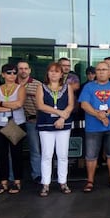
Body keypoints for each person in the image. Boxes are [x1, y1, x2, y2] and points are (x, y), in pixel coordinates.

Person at [79, 61, 110, 192]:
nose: (101, 72)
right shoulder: (88, 87)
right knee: (91, 155)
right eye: (98, 70)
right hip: (93, 127)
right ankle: (90, 181)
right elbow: (84, 105)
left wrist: (106, 113)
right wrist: (99, 116)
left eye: (104, 69)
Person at [36, 62, 74, 196]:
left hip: (63, 124)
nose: (53, 73)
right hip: (46, 124)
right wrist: (59, 113)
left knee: (62, 155)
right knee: (47, 154)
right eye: (51, 71)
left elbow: (71, 105)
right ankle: (45, 183)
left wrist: (63, 118)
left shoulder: (67, 87)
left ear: (61, 74)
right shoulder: (41, 87)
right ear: (47, 73)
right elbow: (40, 105)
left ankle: (63, 182)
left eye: (57, 71)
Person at [0, 64, 26, 194]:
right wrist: (9, 107)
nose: (12, 75)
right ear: (3, 74)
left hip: (15, 123)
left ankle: (17, 181)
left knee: (16, 153)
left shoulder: (20, 88)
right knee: (1, 153)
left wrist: (0, 103)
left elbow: (19, 104)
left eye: (14, 73)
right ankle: (3, 182)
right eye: (8, 72)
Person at [16, 61, 42, 183]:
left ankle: (37, 175)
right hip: (15, 122)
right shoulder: (11, 83)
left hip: (32, 121)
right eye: (20, 68)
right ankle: (13, 177)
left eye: (26, 68)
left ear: (30, 70)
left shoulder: (37, 85)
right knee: (15, 150)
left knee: (35, 150)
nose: (23, 71)